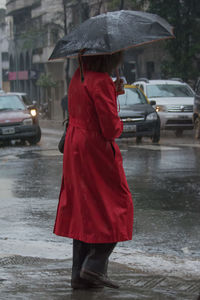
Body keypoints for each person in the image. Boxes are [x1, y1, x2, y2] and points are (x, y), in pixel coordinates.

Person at [54, 51, 134, 289]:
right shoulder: (100, 81)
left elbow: (86, 104)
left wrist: (113, 90)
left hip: (75, 147)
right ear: (108, 58)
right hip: (94, 149)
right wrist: (118, 117)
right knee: (118, 205)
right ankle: (95, 265)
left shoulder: (79, 76)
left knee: (83, 208)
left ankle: (79, 276)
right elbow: (110, 128)